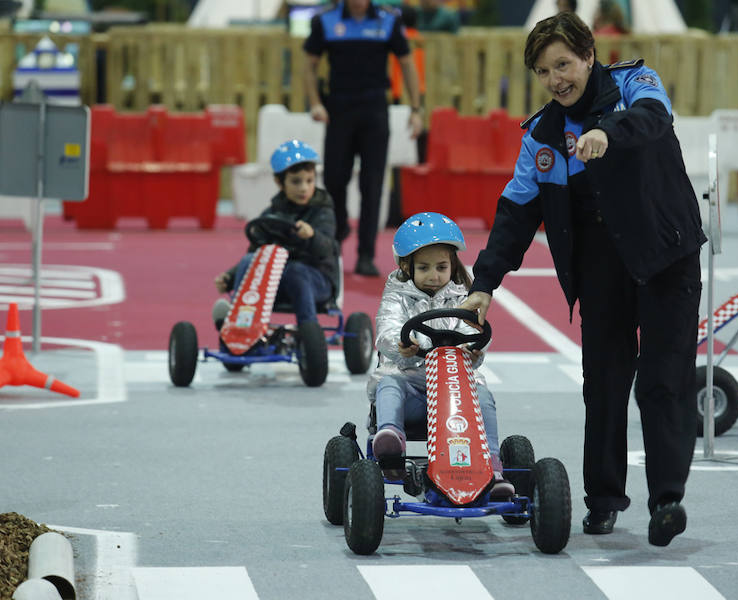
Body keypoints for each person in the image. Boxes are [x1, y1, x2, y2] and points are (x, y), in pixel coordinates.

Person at [459, 12, 705, 546]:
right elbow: (516, 214)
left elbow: (653, 118)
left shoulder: (635, 83)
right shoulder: (542, 136)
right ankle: (604, 499)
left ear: (590, 55)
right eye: (544, 72)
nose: (556, 80)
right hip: (600, 265)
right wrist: (484, 283)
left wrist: (603, 133)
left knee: (664, 381)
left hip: (666, 254)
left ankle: (667, 498)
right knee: (604, 384)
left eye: (564, 65)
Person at [368, 212, 515, 498]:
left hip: (455, 393)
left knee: (483, 395)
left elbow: (474, 331)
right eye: (424, 267)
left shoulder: (464, 297)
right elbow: (386, 329)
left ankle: (493, 466)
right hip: (410, 384)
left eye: (441, 267)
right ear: (407, 266)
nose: (434, 275)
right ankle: (391, 441)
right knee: (388, 385)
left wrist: (473, 350)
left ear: (453, 265)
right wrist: (402, 344)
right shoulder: (396, 295)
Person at [303, 0, 424, 277]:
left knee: (372, 183)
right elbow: (309, 65)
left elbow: (407, 63)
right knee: (334, 178)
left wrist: (416, 109)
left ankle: (366, 254)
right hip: (339, 108)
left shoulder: (388, 20)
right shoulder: (325, 21)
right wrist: (314, 102)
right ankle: (338, 233)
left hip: (374, 110)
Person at [213, 140, 338, 326]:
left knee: (296, 271)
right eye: (296, 182)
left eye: (309, 181)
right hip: (276, 281)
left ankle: (308, 328)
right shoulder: (272, 214)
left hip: (317, 280)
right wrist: (230, 277)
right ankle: (239, 323)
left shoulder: (322, 211)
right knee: (249, 262)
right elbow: (255, 253)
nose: (304, 188)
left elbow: (327, 249)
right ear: (280, 182)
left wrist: (312, 236)